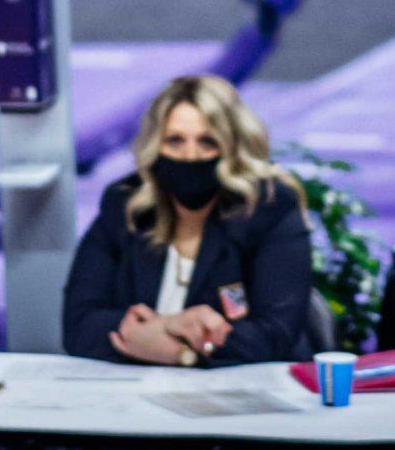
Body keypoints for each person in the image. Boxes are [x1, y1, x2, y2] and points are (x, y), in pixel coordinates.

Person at [61, 75, 313, 367]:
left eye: (207, 142)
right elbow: (78, 323)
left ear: (231, 148)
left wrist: (181, 354)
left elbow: (275, 335)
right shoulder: (125, 206)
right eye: (175, 141)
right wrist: (165, 327)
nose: (190, 156)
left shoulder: (269, 209)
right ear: (156, 147)